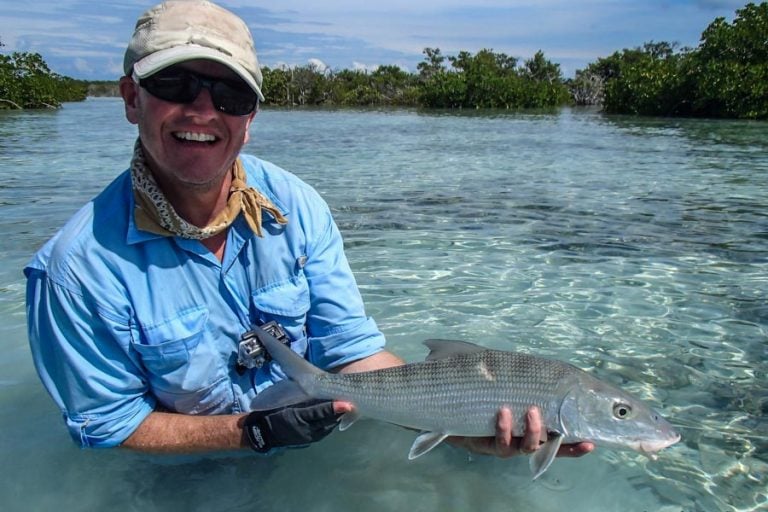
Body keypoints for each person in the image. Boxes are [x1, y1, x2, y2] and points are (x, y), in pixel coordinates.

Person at [25, 0, 592, 459]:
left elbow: (350, 351)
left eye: (230, 95)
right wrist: (251, 432)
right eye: (175, 85)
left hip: (323, 433)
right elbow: (111, 426)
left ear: (250, 118)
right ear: (131, 98)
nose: (203, 110)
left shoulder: (298, 207)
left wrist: (460, 421)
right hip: (185, 470)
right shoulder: (72, 273)